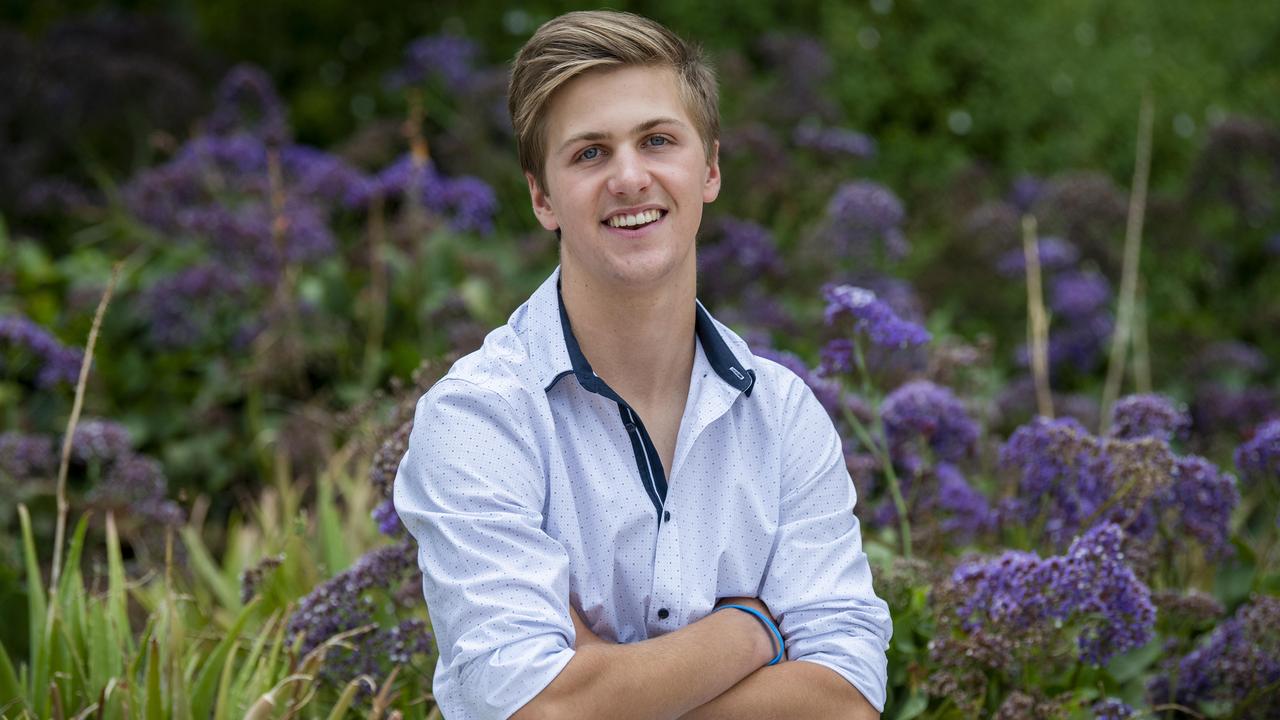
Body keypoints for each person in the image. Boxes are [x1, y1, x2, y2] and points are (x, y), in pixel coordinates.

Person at [394, 10, 892, 719]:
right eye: (589, 153)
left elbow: (845, 703)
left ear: (710, 168)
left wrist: (600, 683)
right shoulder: (480, 418)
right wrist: (750, 631)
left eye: (657, 141)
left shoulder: (783, 418)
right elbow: (539, 712)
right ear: (542, 197)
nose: (630, 177)